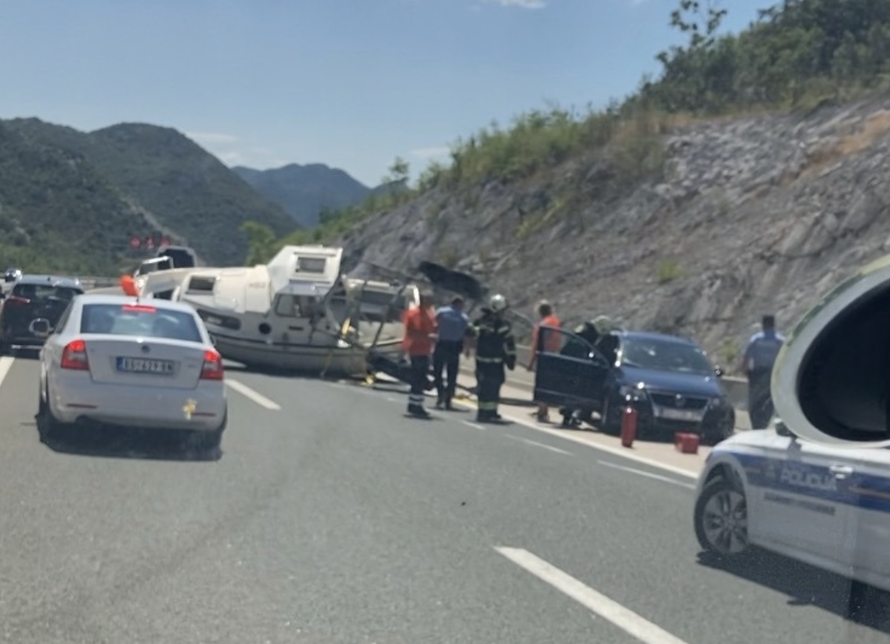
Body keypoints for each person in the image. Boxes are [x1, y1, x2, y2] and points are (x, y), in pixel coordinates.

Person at [558, 315, 618, 428]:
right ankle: (568, 412)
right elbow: (586, 348)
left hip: (570, 360)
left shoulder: (584, 329)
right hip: (576, 363)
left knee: (573, 389)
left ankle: (568, 413)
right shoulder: (590, 333)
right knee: (576, 389)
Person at [469, 293, 517, 422]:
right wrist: (511, 358)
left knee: (491, 386)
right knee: (488, 387)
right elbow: (509, 342)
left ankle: (490, 411)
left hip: (489, 362)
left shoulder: (488, 322)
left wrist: (511, 358)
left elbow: (509, 342)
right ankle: (485, 412)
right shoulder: (492, 323)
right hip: (490, 363)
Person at [739, 314, 785, 429]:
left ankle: (755, 423)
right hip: (772, 374)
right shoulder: (780, 341)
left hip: (757, 374)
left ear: (763, 325)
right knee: (769, 400)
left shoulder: (756, 339)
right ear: (773, 325)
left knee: (755, 399)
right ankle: (763, 423)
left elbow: (747, 357)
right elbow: (785, 358)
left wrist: (745, 371)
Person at [401, 291, 438, 418]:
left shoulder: (430, 313)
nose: (432, 302)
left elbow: (433, 327)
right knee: (418, 378)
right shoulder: (415, 314)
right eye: (429, 300)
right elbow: (412, 332)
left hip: (425, 350)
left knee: (421, 378)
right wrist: (428, 337)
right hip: (416, 349)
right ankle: (415, 405)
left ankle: (416, 404)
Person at [433, 296, 472, 410]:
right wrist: (467, 349)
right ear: (460, 305)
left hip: (442, 345)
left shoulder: (441, 312)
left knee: (437, 372)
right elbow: (467, 335)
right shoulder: (464, 318)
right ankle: (448, 399)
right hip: (454, 348)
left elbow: (434, 326)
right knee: (452, 375)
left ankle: (441, 393)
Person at [526, 300, 561, 422]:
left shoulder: (544, 325)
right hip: (553, 355)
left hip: (543, 357)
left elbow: (538, 344)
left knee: (541, 384)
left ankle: (542, 411)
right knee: (547, 383)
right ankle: (542, 409)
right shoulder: (555, 322)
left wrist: (531, 362)